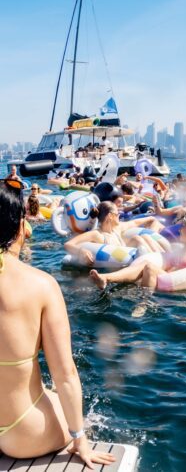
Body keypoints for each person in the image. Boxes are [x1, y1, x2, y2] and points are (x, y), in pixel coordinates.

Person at [0, 180, 115, 467]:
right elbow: (65, 374)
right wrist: (80, 439)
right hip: (22, 432)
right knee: (60, 394)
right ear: (20, 227)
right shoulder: (40, 285)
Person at [89, 213, 186, 290]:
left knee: (149, 267)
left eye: (183, 227)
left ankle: (144, 304)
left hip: (179, 285)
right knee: (146, 264)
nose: (180, 230)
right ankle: (107, 279)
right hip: (168, 278)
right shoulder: (182, 249)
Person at [64, 201, 169, 265]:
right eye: (117, 213)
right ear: (110, 216)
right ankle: (159, 262)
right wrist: (81, 250)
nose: (119, 215)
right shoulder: (97, 234)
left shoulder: (117, 229)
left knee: (143, 236)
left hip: (130, 259)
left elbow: (134, 222)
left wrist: (151, 218)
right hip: (115, 265)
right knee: (137, 239)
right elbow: (68, 244)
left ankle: (165, 258)